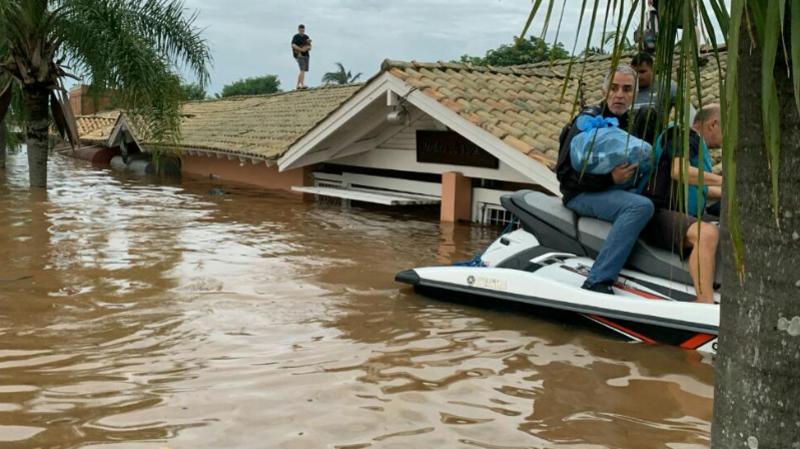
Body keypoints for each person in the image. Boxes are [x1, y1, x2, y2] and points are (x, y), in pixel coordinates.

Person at [558, 66, 655, 295]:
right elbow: (564, 175)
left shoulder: (629, 123)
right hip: (580, 194)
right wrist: (608, 179)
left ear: (634, 94)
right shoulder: (587, 121)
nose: (619, 94)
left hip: (613, 191)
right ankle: (598, 280)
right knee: (641, 207)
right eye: (614, 88)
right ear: (604, 92)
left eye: (627, 89)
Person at [640, 104, 724, 304]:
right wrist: (724, 181)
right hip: (659, 212)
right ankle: (704, 301)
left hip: (685, 215)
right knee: (707, 233)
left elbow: (703, 189)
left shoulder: (697, 146)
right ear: (713, 124)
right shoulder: (683, 135)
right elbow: (679, 171)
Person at [291, 24, 312, 90]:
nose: (302, 31)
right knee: (302, 69)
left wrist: (306, 48)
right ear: (298, 30)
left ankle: (298, 85)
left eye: (303, 30)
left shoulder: (306, 37)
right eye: (301, 30)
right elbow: (293, 45)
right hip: (299, 54)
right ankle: (301, 84)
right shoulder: (296, 37)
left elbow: (310, 47)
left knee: (304, 70)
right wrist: (301, 49)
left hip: (306, 55)